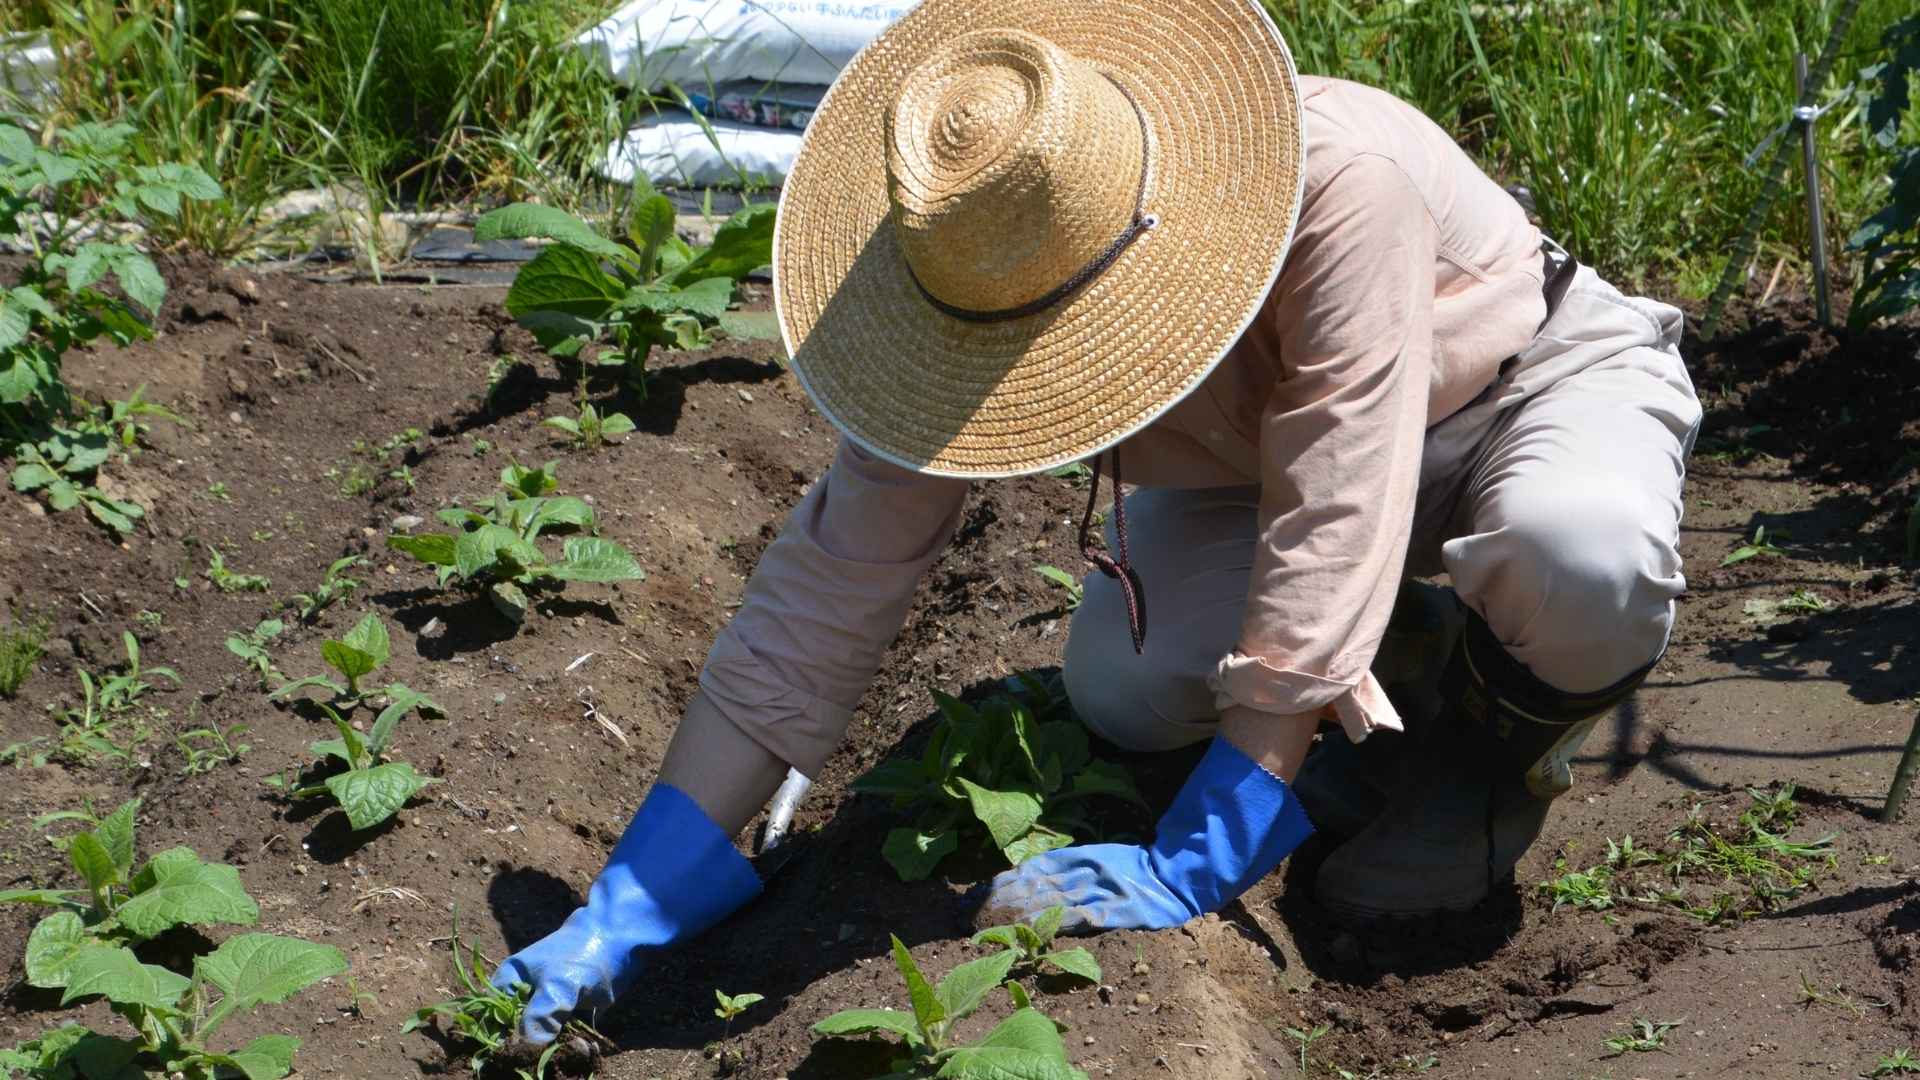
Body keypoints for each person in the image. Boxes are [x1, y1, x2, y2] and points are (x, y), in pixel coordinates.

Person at [489, 0, 1702, 1044]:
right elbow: (835, 573)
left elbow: (1338, 499)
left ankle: (1485, 760)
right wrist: (642, 889)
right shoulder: (964, 262)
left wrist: (1203, 853)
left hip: (1515, 388)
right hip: (1258, 461)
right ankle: (1410, 660)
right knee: (1130, 686)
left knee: (1578, 556)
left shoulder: (1337, 186)